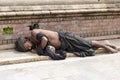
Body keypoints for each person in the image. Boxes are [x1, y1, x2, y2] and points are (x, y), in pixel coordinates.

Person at [15, 24, 118, 60]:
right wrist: (36, 50)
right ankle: (107, 44)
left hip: (65, 38)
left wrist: (40, 49)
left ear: (25, 40)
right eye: (26, 49)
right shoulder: (34, 43)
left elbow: (45, 39)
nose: (28, 48)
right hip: (64, 45)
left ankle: (108, 47)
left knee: (87, 43)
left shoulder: (34, 32)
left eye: (26, 46)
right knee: (85, 48)